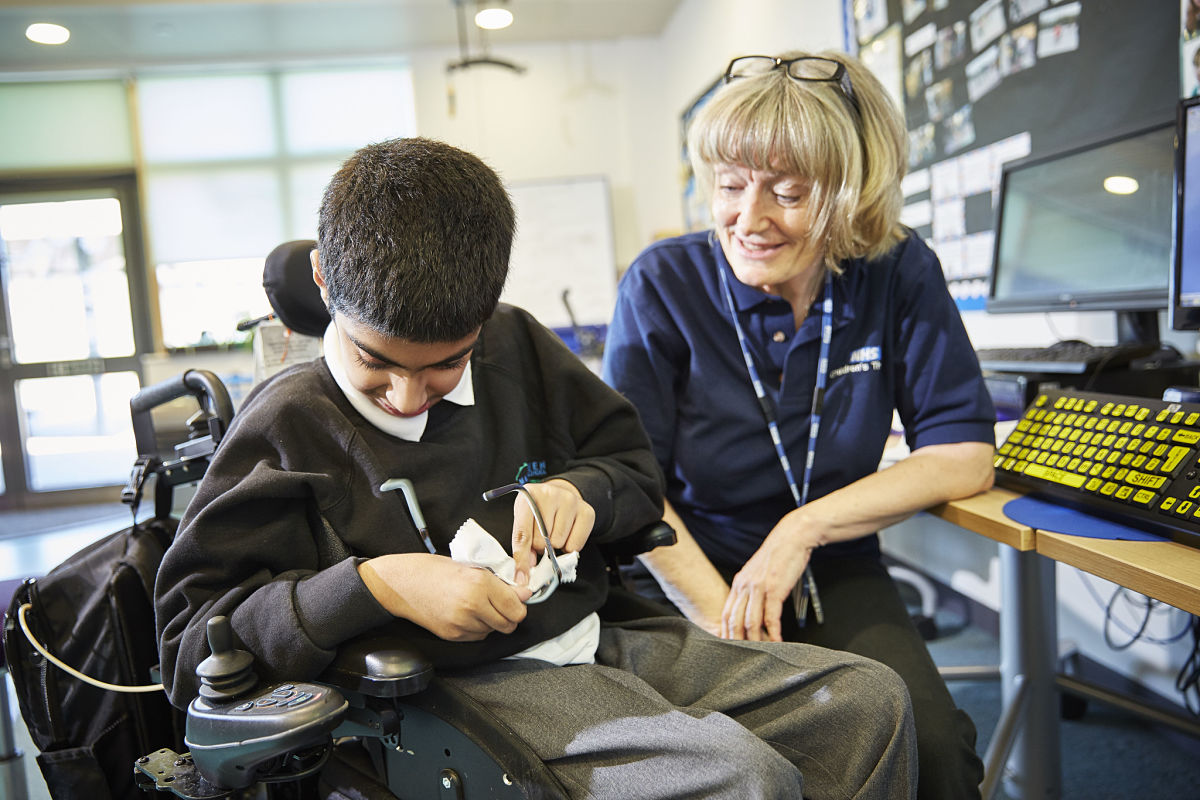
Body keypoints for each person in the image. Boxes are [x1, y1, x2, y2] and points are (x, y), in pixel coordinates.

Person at [156, 136, 918, 799]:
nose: (407, 394)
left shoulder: (517, 347)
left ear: (484, 318)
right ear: (324, 280)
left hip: (593, 635)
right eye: (375, 360)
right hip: (451, 694)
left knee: (866, 702)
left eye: (446, 365)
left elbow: (631, 470)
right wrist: (373, 586)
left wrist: (581, 494)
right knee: (742, 779)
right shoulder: (287, 423)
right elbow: (192, 647)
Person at [601, 52, 996, 800]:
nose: (748, 221)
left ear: (849, 194)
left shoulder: (897, 269)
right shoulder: (663, 285)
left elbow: (965, 453)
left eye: (786, 193)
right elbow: (632, 487)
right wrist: (728, 620)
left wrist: (802, 529)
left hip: (833, 563)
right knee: (765, 764)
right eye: (727, 187)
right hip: (689, 573)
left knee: (935, 754)